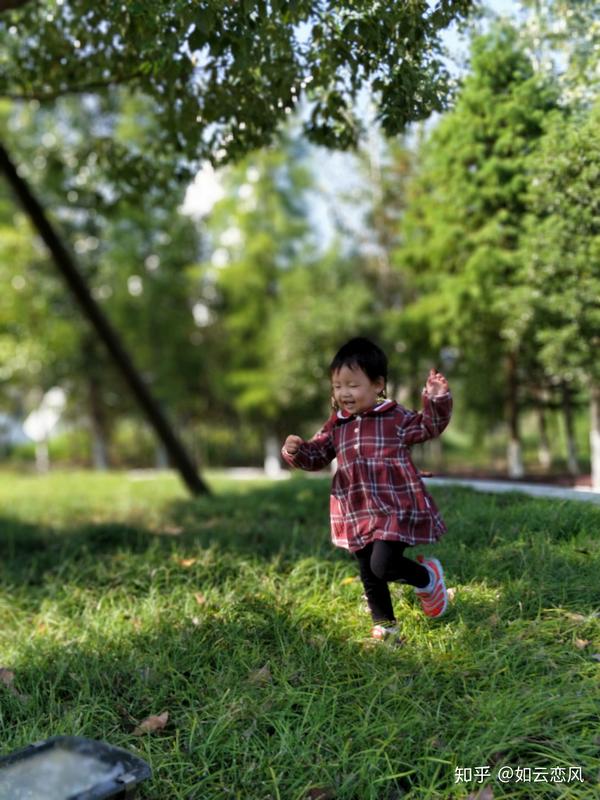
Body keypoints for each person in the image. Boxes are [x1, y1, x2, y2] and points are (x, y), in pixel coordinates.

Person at [281, 337, 453, 642]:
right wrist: (296, 451)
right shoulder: (337, 424)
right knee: (368, 572)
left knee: (383, 564)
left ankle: (428, 579)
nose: (344, 393)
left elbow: (429, 426)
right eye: (337, 386)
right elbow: (317, 455)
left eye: (352, 385)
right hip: (355, 509)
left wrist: (436, 399)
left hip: (393, 505)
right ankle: (385, 627)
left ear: (377, 385)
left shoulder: (395, 417)